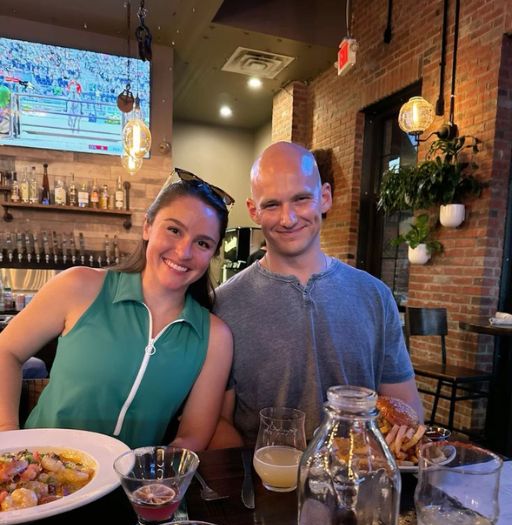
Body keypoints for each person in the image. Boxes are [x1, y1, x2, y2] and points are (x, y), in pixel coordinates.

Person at [0, 170, 234, 451]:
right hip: (40, 469)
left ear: (213, 254)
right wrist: (8, 437)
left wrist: (155, 471)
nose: (184, 252)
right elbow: (6, 351)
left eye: (202, 243)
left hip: (133, 477)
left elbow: (192, 436)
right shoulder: (78, 286)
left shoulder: (215, 337)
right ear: (147, 227)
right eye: (174, 230)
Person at [211, 141, 423, 447]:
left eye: (301, 199)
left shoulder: (376, 296)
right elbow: (217, 423)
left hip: (358, 471)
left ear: (324, 197)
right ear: (253, 210)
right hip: (266, 473)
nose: (288, 218)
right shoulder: (223, 305)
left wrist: (400, 440)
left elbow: (406, 409)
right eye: (272, 205)